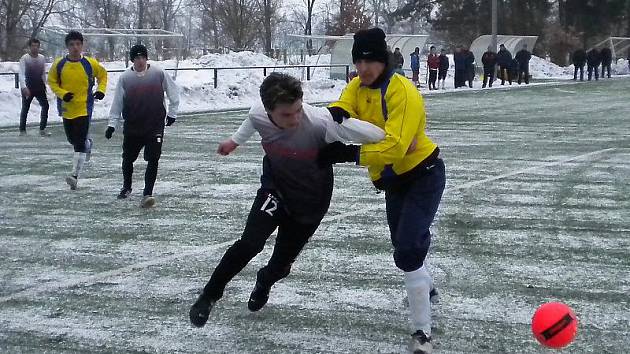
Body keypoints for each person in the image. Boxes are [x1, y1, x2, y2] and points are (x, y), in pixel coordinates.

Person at [189, 73, 385, 329]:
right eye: (286, 115)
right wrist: (234, 141)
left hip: (311, 201)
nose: (295, 119)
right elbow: (252, 120)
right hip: (276, 190)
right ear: (269, 111)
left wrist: (348, 150)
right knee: (249, 243)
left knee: (280, 266)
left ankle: (265, 281)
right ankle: (209, 295)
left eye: (298, 111)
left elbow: (378, 136)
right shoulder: (259, 113)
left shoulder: (321, 122)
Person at [319, 28, 445, 354]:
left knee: (407, 249)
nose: (363, 68)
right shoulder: (357, 86)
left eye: (370, 60)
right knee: (405, 248)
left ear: (384, 59)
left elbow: (397, 147)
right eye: (358, 61)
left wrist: (350, 154)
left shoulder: (402, 91)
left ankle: (423, 335)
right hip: (394, 182)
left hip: (424, 175)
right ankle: (427, 288)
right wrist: (331, 119)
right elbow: (343, 106)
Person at [106, 44, 180, 208]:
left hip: (154, 125)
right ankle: (126, 187)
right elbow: (117, 103)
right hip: (133, 125)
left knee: (153, 158)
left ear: (147, 58)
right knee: (128, 158)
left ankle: (148, 193)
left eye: (142, 57)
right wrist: (112, 124)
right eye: (137, 58)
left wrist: (172, 113)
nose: (140, 61)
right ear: (132, 60)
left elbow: (173, 93)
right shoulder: (125, 78)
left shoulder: (158, 73)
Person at [48, 30, 107, 190]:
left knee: (78, 143)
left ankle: (74, 175)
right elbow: (52, 82)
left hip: (84, 108)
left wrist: (101, 90)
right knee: (73, 140)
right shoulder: (59, 64)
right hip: (67, 109)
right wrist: (62, 94)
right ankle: (88, 144)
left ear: (82, 45)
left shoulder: (89, 63)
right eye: (72, 44)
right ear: (67, 46)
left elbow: (103, 75)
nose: (75, 47)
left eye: (78, 44)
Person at [19, 38, 50, 137]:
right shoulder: (25, 58)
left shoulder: (41, 58)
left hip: (39, 87)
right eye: (33, 46)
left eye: (37, 46)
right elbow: (21, 73)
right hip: (28, 87)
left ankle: (42, 128)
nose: (35, 48)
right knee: (25, 108)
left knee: (45, 106)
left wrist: (45, 84)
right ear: (29, 47)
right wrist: (24, 87)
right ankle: (22, 130)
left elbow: (43, 73)